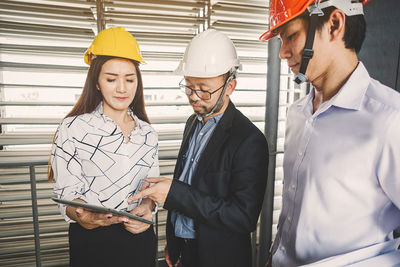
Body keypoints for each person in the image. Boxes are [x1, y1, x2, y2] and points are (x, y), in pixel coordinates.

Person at [259, 0, 400, 266]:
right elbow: (292, 211)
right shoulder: (298, 114)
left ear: (334, 24)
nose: (282, 53)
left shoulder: (390, 120)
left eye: (291, 36)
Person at [129, 29, 269, 267]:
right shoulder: (192, 123)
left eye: (204, 89)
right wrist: (173, 242)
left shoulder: (249, 140)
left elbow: (243, 218)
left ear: (230, 86)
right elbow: (187, 180)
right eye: (189, 86)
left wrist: (174, 194)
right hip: (184, 251)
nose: (194, 96)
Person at [48, 27, 159, 267]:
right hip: (92, 243)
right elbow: (66, 196)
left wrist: (147, 209)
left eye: (130, 79)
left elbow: (152, 189)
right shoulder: (73, 128)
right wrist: (84, 216)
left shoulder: (147, 133)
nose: (122, 88)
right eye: (111, 79)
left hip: (140, 240)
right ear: (96, 83)